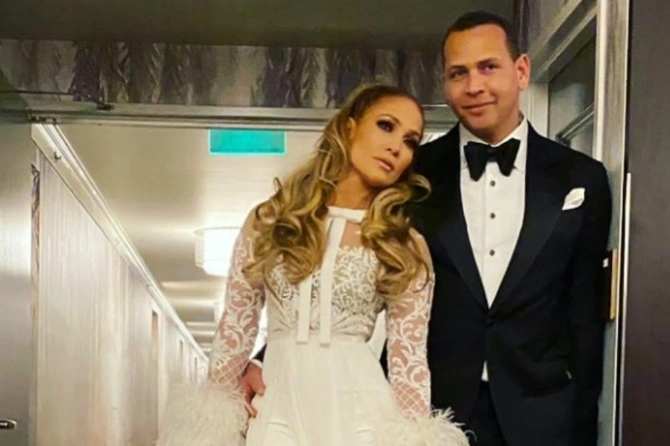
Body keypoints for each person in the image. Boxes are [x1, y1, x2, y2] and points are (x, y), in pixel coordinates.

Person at [243, 11, 612, 446]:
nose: (473, 86)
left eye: (488, 67)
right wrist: (269, 356)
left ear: (522, 71)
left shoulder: (581, 178)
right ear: (444, 83)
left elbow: (585, 317)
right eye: (459, 73)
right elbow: (329, 258)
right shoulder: (408, 174)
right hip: (429, 411)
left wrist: (584, 426)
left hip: (544, 417)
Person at [156, 83, 469, 446]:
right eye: (386, 126)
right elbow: (236, 327)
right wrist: (212, 423)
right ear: (349, 127)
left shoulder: (404, 244)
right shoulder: (269, 220)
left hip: (362, 415)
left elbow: (408, 362)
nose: (396, 147)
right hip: (276, 407)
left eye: (410, 142)